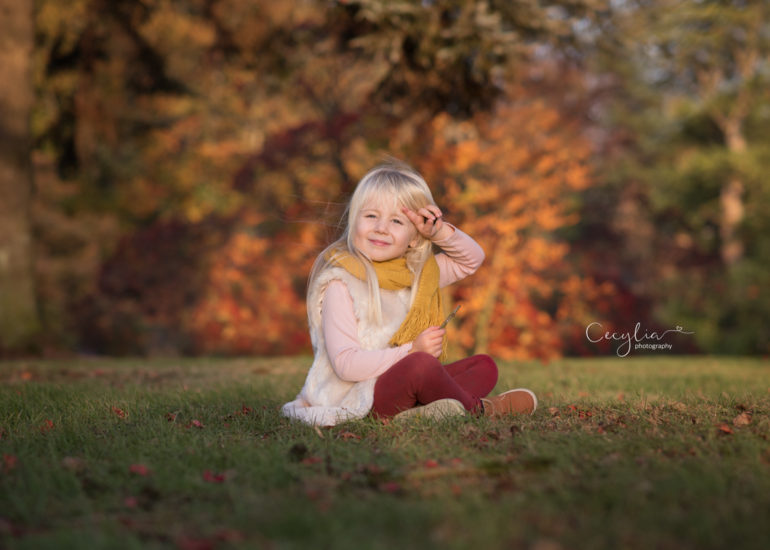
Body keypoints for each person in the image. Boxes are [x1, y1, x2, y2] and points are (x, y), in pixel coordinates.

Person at [281, 160, 537, 427]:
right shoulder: (342, 283)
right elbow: (345, 364)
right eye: (371, 216)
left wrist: (438, 231)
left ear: (414, 237)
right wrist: (411, 351)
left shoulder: (418, 275)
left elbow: (471, 260)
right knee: (421, 366)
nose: (381, 228)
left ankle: (418, 412)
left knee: (483, 365)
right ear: (354, 220)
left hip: (401, 384)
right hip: (356, 397)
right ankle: (481, 410)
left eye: (396, 221)